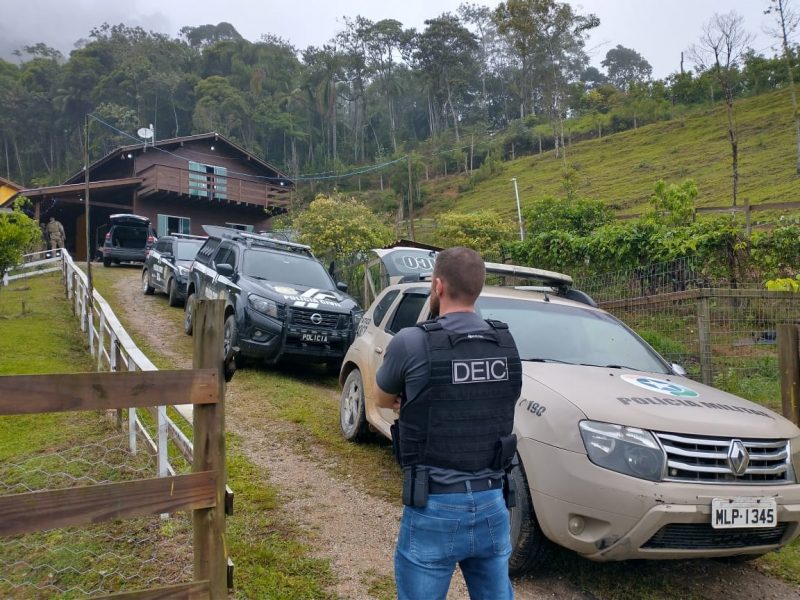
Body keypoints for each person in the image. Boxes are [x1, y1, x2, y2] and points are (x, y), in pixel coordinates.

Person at [375, 247, 522, 600]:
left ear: (437, 286)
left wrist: (412, 398)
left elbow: (381, 398)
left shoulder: (412, 341)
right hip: (493, 502)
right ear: (479, 288)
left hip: (434, 506)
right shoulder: (505, 343)